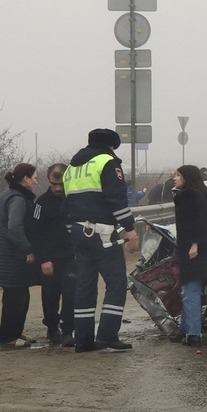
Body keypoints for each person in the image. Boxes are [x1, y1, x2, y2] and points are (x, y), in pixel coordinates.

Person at [63, 128, 139, 352]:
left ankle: (83, 340)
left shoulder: (72, 168)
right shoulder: (107, 162)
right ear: (110, 146)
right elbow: (116, 199)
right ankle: (107, 335)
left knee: (85, 286)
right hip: (102, 232)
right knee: (117, 283)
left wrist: (73, 230)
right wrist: (130, 228)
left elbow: (65, 204)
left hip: (77, 232)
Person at [28, 163, 76, 346]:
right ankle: (52, 327)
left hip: (71, 257)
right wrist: (44, 259)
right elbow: (35, 233)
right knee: (50, 296)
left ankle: (68, 330)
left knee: (71, 294)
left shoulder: (74, 201)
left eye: (61, 185)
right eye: (54, 184)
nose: (57, 188)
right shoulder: (41, 203)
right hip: (50, 258)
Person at [173, 165, 207, 346]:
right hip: (197, 248)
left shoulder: (192, 197)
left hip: (196, 250)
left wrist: (194, 244)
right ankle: (185, 330)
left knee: (191, 291)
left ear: (187, 178)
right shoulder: (196, 194)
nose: (174, 178)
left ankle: (193, 335)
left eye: (178, 175)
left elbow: (202, 221)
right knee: (189, 290)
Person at [0, 163, 39, 348]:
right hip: (12, 256)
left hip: (6, 253)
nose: (36, 181)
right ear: (26, 179)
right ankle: (9, 338)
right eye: (34, 177)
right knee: (17, 296)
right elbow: (14, 227)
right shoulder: (18, 199)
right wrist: (28, 249)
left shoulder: (7, 194)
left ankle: (13, 332)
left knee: (14, 294)